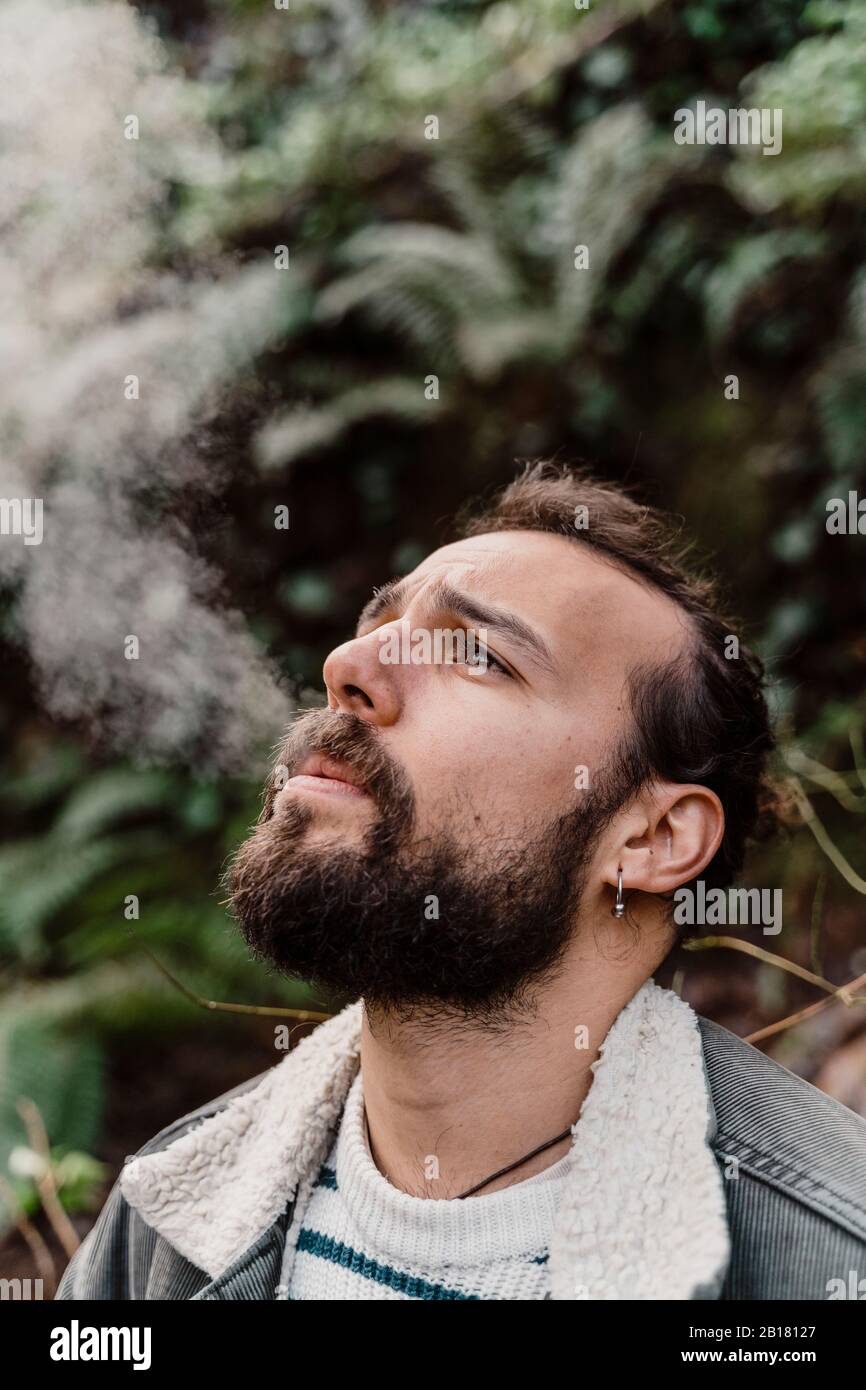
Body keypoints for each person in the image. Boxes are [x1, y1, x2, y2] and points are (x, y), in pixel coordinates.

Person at [57, 461, 866, 1301]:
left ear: (655, 837)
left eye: (476, 653)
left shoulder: (829, 1263)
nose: (346, 664)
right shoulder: (165, 1220)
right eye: (376, 626)